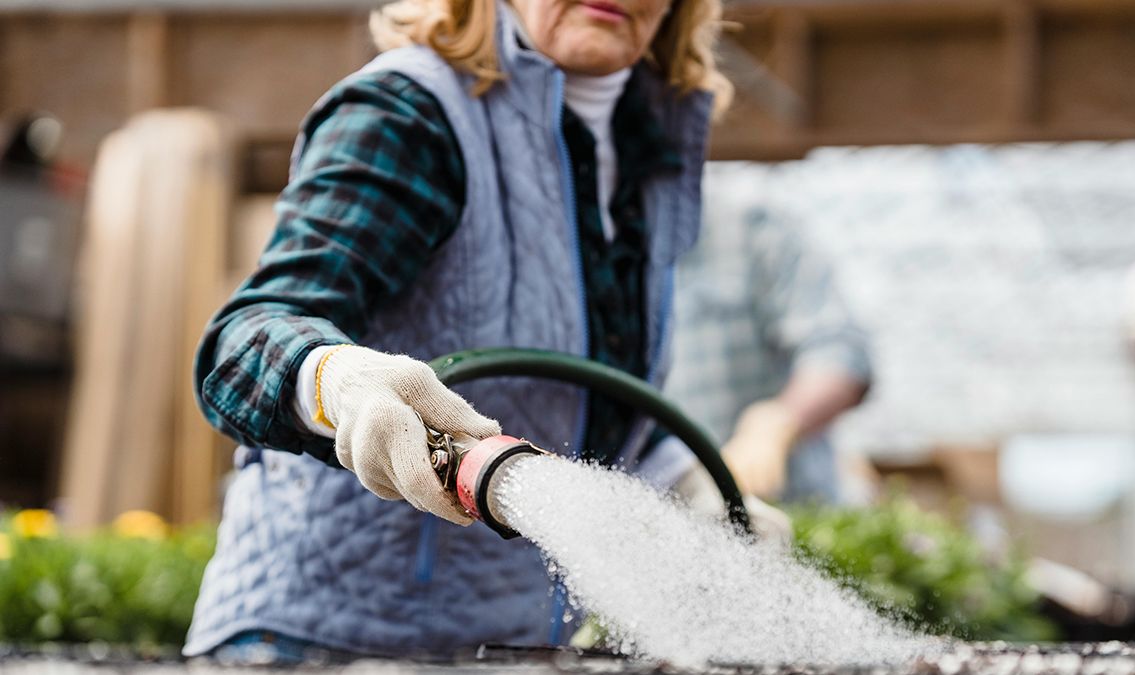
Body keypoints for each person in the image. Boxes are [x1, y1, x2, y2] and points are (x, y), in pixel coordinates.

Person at [184, 0, 779, 660]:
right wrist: (335, 381)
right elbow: (239, 343)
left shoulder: (651, 147)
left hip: (508, 646)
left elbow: (578, 400)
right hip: (318, 641)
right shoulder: (410, 114)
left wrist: (680, 487)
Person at [664, 165, 872, 504]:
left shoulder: (750, 222)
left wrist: (775, 423)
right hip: (661, 524)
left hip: (784, 509)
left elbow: (839, 350)